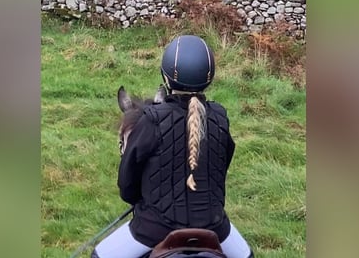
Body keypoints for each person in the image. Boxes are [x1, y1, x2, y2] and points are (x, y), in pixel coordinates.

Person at [92, 35, 253, 258]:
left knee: (99, 255)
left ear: (166, 77)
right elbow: (220, 171)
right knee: (247, 255)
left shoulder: (151, 120)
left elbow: (127, 186)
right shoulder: (220, 117)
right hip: (214, 228)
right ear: (210, 77)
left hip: (153, 229)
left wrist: (147, 200)